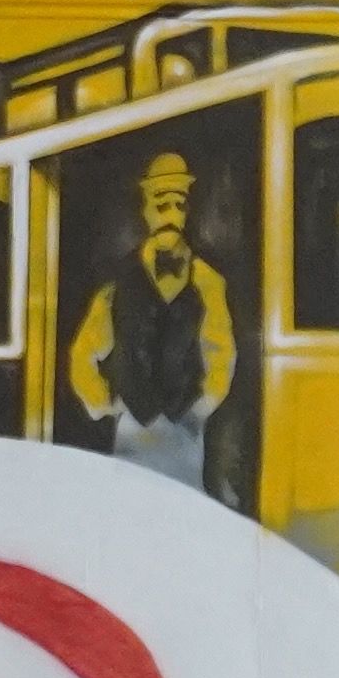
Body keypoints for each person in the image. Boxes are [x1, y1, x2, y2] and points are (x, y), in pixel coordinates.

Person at [64, 148, 236, 495]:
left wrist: (200, 408)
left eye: (180, 205)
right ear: (146, 210)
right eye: (162, 205)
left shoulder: (208, 281)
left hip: (185, 432)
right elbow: (84, 352)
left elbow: (222, 351)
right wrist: (103, 402)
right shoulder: (117, 283)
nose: (172, 215)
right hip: (132, 429)